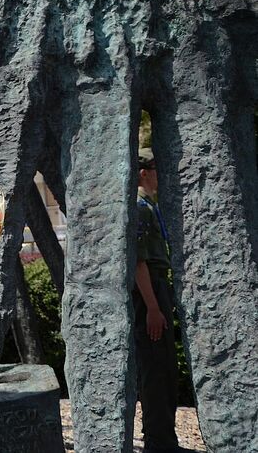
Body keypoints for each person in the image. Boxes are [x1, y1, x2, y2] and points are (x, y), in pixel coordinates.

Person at [134, 147, 183, 453]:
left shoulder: (148, 205)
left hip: (156, 288)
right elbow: (138, 261)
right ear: (143, 172)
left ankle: (165, 440)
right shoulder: (139, 207)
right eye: (155, 169)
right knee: (155, 370)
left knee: (165, 369)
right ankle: (159, 444)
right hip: (147, 292)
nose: (159, 176)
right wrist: (152, 306)